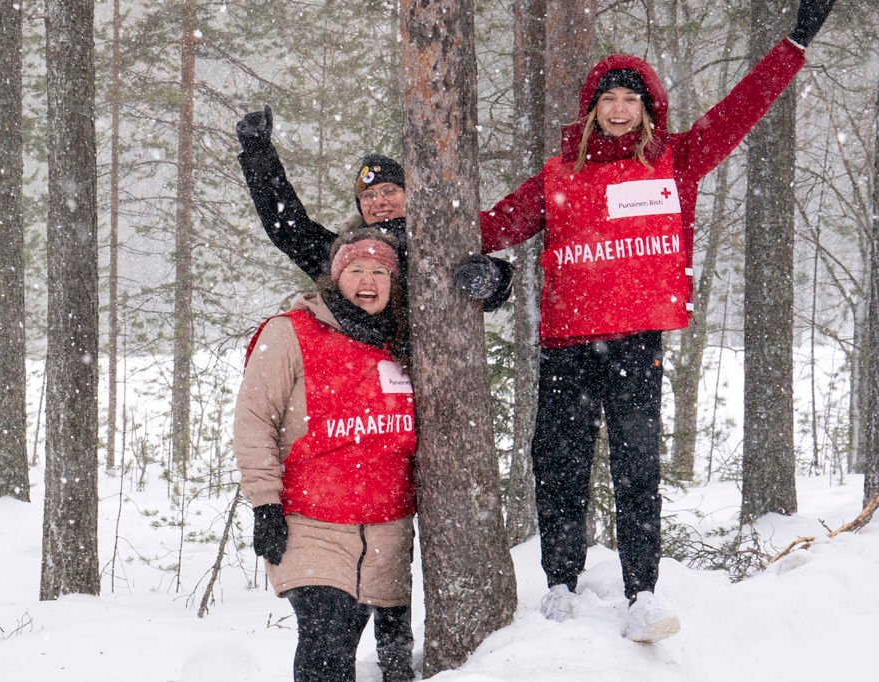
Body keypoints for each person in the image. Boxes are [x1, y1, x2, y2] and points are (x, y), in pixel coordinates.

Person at [476, 0, 835, 643]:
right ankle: (560, 583)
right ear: (592, 109)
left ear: (647, 108)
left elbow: (741, 110)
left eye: (630, 100)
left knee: (637, 468)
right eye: (608, 98)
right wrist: (396, 239)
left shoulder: (675, 160)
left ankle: (642, 592)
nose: (618, 109)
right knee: (557, 464)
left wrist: (795, 44)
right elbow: (490, 226)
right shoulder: (560, 175)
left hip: (636, 341)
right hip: (566, 344)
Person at [234, 233, 416, 682]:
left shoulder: (408, 340)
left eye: (379, 271)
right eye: (356, 270)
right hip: (312, 525)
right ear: (336, 278)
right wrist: (264, 504)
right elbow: (255, 418)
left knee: (375, 654)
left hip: (386, 531)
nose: (367, 280)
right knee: (325, 642)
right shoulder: (290, 332)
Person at [233, 107, 513, 310]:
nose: (379, 201)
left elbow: (493, 278)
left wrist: (492, 279)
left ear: (410, 196)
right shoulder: (344, 253)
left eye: (389, 191)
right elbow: (288, 227)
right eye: (368, 196)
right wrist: (259, 152)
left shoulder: (438, 238)